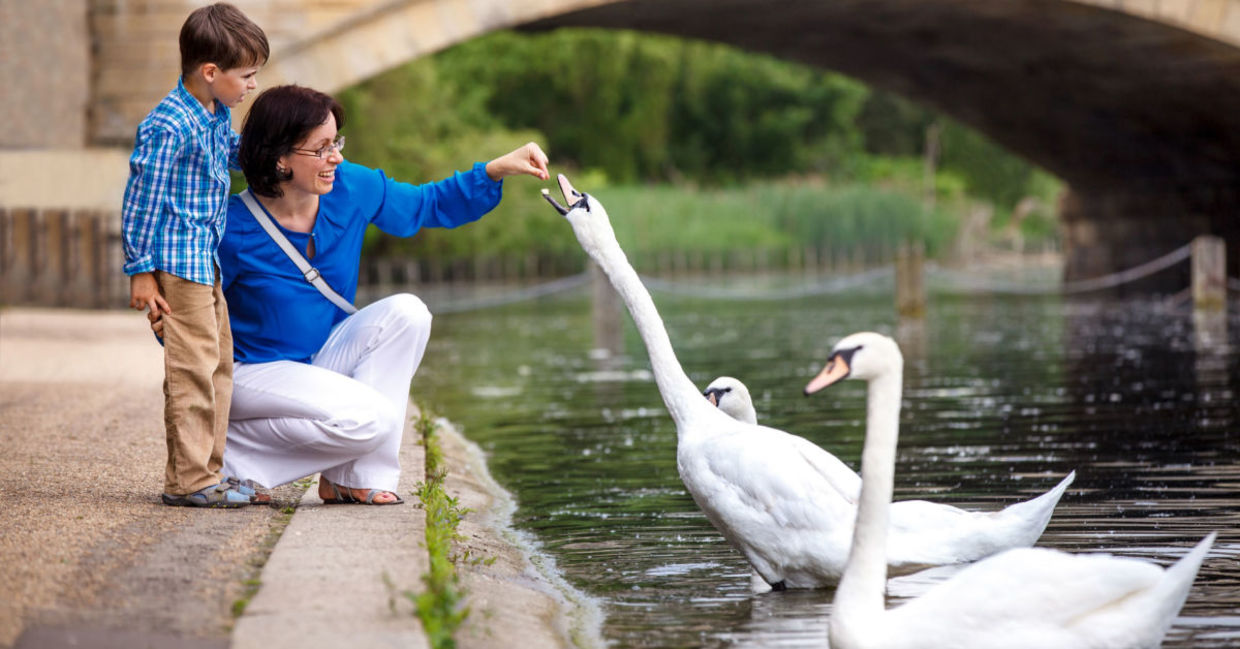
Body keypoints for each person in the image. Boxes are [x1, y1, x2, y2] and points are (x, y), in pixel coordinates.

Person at [189, 84, 547, 505]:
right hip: (251, 373)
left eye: (336, 142)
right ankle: (237, 461)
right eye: (321, 149)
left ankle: (354, 477)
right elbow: (187, 317)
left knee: (408, 313)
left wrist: (495, 170)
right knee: (374, 419)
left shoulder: (351, 188)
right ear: (280, 158)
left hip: (319, 357)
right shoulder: (230, 227)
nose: (336, 158)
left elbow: (425, 204)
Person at [122, 3, 269, 508]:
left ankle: (211, 472)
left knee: (219, 365)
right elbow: (142, 200)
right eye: (246, 75)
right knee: (191, 369)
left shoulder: (214, 113)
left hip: (206, 262)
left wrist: (277, 153)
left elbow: (230, 154)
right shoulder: (169, 125)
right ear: (210, 72)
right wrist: (141, 269)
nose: (252, 85)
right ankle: (188, 480)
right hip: (178, 264)